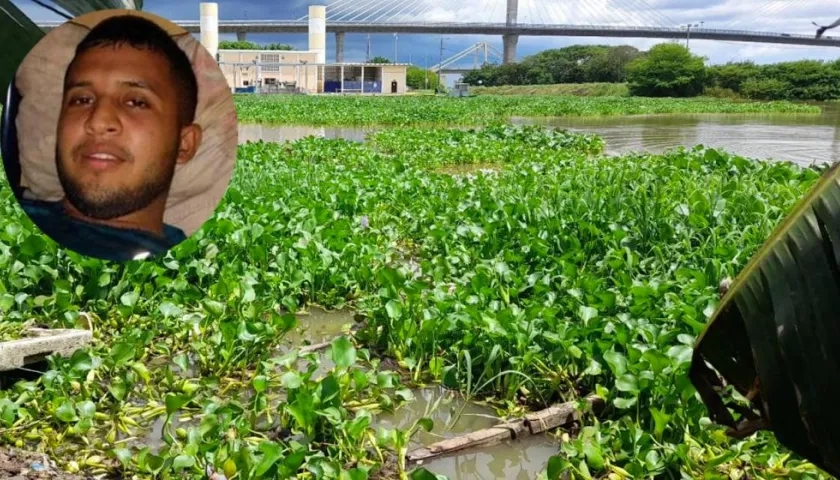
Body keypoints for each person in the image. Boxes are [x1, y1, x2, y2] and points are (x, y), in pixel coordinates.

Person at [19, 14, 203, 262]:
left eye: (136, 102)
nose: (98, 121)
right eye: (82, 100)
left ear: (184, 144)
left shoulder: (196, 261)